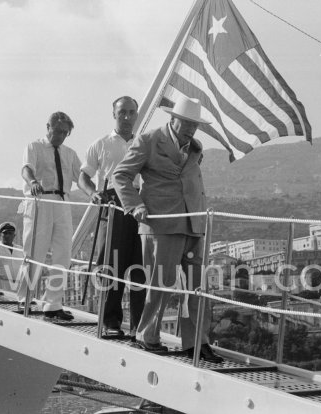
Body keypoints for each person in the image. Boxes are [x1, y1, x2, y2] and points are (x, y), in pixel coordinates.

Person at [113, 95, 223, 362]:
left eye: (194, 125)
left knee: (197, 288)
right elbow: (121, 175)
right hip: (160, 224)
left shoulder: (195, 147)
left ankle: (196, 343)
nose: (190, 129)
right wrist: (135, 206)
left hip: (193, 223)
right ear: (172, 119)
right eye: (185, 123)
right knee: (160, 285)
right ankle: (147, 336)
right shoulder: (149, 140)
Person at [79, 96, 146, 339]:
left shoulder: (144, 143)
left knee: (141, 267)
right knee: (110, 265)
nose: (127, 117)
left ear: (136, 115)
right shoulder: (100, 144)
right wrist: (92, 193)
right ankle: (111, 322)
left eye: (131, 113)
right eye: (122, 113)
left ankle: (140, 326)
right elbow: (83, 176)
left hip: (140, 204)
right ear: (114, 115)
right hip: (111, 203)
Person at [18, 111, 82, 321]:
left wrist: (94, 192)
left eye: (65, 133)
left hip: (62, 202)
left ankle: (53, 303)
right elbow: (26, 169)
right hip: (40, 200)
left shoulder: (70, 153)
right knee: (34, 251)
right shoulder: (34, 147)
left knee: (63, 253)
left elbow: (80, 177)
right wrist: (33, 182)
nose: (61, 136)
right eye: (58, 131)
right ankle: (24, 299)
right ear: (48, 127)